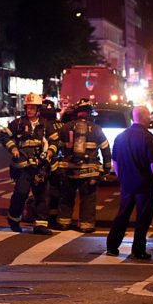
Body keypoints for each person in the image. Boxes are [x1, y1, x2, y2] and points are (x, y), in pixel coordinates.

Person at [106, 106, 153, 260]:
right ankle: (138, 250)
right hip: (144, 184)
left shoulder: (121, 136)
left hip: (127, 184)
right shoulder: (148, 137)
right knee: (143, 218)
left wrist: (122, 177)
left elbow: (115, 162)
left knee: (122, 215)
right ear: (144, 117)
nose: (150, 118)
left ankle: (112, 246)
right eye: (149, 115)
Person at [51, 99, 112, 233]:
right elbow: (106, 150)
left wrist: (55, 165)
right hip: (89, 173)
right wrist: (106, 169)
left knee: (66, 197)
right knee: (88, 199)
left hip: (68, 171)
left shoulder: (65, 127)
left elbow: (54, 145)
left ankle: (63, 223)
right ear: (90, 113)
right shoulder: (96, 129)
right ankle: (86, 225)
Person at [0, 93, 57, 235]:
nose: (29, 110)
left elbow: (55, 141)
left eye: (32, 108)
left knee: (42, 195)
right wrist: (13, 148)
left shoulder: (45, 125)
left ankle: (40, 225)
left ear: (38, 109)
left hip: (40, 166)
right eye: (28, 107)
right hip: (23, 167)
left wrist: (49, 152)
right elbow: (4, 135)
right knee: (21, 193)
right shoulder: (18, 124)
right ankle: (14, 220)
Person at [39, 99, 65, 228]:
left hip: (45, 163)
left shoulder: (39, 126)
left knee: (42, 191)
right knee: (55, 191)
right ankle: (53, 217)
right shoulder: (61, 125)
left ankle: (44, 216)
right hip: (59, 163)